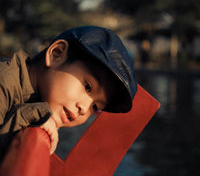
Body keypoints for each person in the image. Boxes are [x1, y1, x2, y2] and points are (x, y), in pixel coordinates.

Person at [0, 26, 137, 159]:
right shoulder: (4, 83)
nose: (84, 108)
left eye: (95, 106)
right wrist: (34, 114)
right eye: (87, 87)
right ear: (56, 54)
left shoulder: (31, 94)